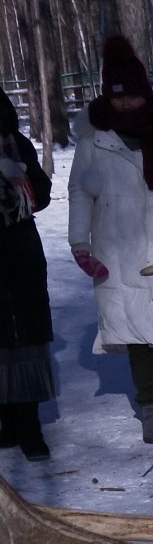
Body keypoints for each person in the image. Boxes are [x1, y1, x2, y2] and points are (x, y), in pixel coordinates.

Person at [68, 35, 153, 445]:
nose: (125, 103)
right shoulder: (95, 139)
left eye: (132, 96)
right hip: (115, 245)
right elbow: (79, 192)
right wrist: (80, 245)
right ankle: (150, 406)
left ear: (145, 94)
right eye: (117, 96)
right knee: (135, 335)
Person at [0, 89, 57, 461]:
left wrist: (20, 178)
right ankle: (7, 422)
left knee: (27, 340)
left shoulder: (17, 146)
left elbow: (45, 193)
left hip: (21, 253)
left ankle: (30, 426)